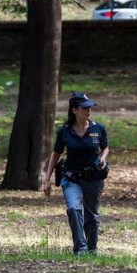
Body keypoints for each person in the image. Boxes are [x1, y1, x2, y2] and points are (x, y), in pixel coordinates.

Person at [43, 92, 109, 255]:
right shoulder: (64, 132)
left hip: (92, 178)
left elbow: (105, 147)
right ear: (74, 110)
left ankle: (92, 248)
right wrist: (47, 178)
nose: (88, 111)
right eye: (84, 108)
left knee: (92, 215)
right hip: (71, 177)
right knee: (73, 208)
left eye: (90, 107)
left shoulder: (98, 128)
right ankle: (80, 248)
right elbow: (56, 154)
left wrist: (103, 158)